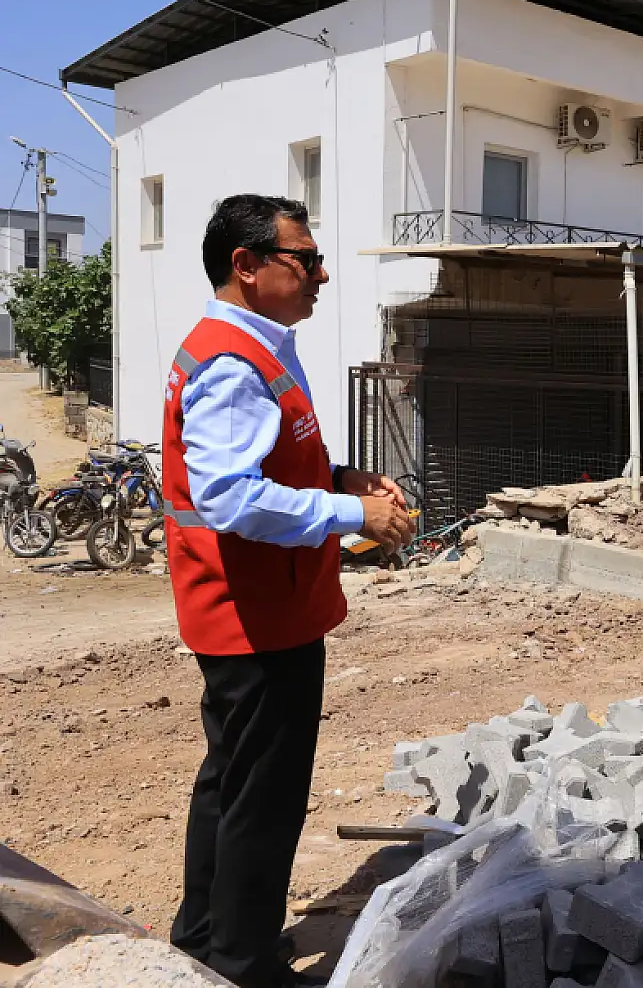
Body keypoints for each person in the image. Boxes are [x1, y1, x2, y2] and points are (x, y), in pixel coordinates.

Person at [163, 195, 415, 988]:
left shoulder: (258, 346)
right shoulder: (234, 361)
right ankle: (243, 964)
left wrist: (345, 479)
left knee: (231, 783)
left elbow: (274, 464)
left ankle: (202, 937)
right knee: (262, 804)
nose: (322, 273)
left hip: (257, 609)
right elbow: (229, 496)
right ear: (247, 266)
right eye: (304, 259)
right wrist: (353, 512)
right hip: (255, 615)